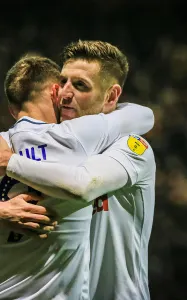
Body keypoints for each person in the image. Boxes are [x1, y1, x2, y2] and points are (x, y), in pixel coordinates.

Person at [0, 40, 156, 300]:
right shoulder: (53, 143)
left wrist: (10, 162)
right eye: (62, 82)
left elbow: (84, 185)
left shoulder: (131, 148)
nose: (64, 93)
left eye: (80, 85)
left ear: (111, 97)